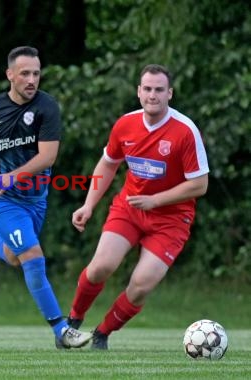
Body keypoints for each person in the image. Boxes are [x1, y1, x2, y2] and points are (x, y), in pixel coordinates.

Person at [0, 46, 92, 350]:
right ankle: (62, 330)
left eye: (36, 73)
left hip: (35, 199)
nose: (31, 80)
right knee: (33, 257)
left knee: (15, 257)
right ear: (9, 75)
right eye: (24, 73)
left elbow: (48, 157)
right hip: (0, 199)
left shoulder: (46, 107)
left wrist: (12, 175)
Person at [66, 64, 209, 349]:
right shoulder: (126, 124)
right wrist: (89, 204)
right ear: (138, 92)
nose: (152, 95)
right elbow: (108, 163)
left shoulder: (185, 131)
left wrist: (156, 200)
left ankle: (101, 334)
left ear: (169, 93)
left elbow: (200, 185)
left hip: (171, 219)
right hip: (130, 208)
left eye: (159, 90)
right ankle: (71, 323)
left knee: (141, 284)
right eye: (147, 89)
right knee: (100, 267)